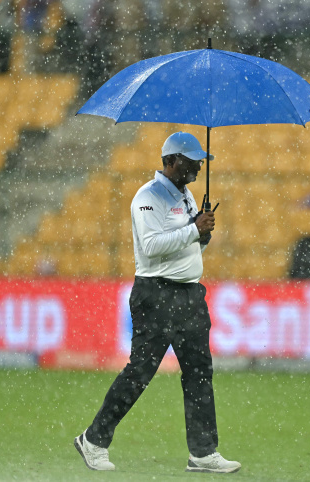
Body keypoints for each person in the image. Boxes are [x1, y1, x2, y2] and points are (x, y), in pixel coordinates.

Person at [74, 132, 240, 474]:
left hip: (189, 294)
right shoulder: (147, 197)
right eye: (191, 161)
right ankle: (93, 440)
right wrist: (195, 229)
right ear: (170, 162)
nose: (197, 167)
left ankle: (203, 453)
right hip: (156, 295)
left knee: (199, 373)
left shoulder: (187, 196)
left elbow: (186, 247)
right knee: (140, 372)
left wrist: (202, 237)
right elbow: (150, 246)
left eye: (199, 161)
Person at [0, 0, 17, 75]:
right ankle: (2, 69)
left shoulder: (6, 4)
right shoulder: (5, 4)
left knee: (4, 50)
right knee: (2, 50)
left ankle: (2, 69)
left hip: (4, 31)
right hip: (3, 31)